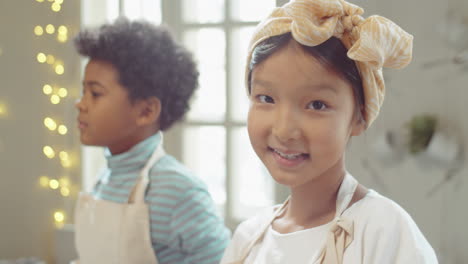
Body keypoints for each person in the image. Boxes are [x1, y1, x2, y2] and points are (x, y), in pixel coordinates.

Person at [221, 0, 438, 263]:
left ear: (359, 116)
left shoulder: (383, 230)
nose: (285, 130)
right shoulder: (248, 239)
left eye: (316, 105)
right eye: (266, 99)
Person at [72, 18, 230, 264]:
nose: (80, 103)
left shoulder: (180, 191)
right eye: (84, 92)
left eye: (95, 93)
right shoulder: (104, 180)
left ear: (146, 111)